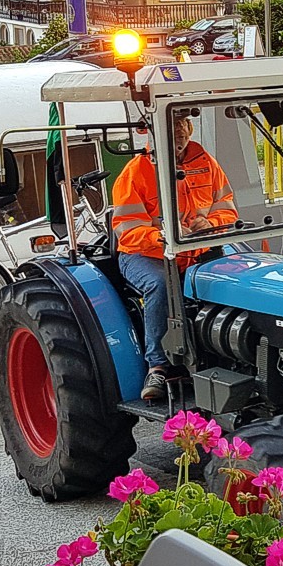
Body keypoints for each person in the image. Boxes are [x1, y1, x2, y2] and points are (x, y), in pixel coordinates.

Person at [111, 111, 238, 400]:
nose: (178, 130)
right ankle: (157, 365)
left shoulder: (207, 164)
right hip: (145, 254)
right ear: (151, 132)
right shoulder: (134, 172)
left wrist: (211, 223)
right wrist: (162, 236)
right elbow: (128, 231)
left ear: (190, 126)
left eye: (182, 123)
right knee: (160, 284)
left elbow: (227, 208)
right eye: (170, 124)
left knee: (238, 274)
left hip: (196, 250)